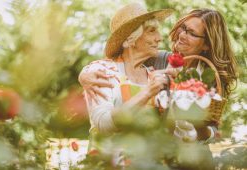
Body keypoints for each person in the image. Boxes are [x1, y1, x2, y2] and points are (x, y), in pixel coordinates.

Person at [79, 7, 238, 169]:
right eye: (183, 28)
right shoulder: (159, 61)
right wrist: (84, 74)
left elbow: (212, 128)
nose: (181, 35)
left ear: (206, 45)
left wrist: (197, 123)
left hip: (190, 155)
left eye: (191, 33)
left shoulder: (212, 76)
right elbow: (121, 60)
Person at [81, 3, 173, 150]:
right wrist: (147, 92)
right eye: (151, 31)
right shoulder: (102, 71)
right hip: (107, 162)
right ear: (131, 39)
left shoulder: (153, 75)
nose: (159, 38)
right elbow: (104, 124)